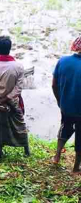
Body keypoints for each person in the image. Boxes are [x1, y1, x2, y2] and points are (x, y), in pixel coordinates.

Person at [0, 36, 30, 158]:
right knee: (19, 125)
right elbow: (18, 88)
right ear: (10, 48)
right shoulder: (18, 66)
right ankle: (26, 150)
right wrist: (5, 99)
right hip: (13, 101)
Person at [52, 36, 81, 174]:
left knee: (65, 128)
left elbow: (54, 84)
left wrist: (59, 100)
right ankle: (76, 168)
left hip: (66, 106)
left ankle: (57, 156)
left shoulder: (63, 61)